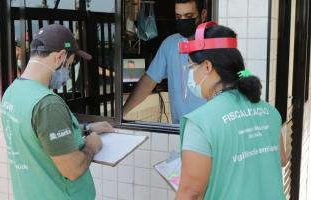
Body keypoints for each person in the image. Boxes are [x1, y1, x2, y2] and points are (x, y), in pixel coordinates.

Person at [1, 24, 114, 200]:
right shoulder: (48, 104)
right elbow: (73, 169)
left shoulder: (12, 92)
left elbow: (38, 135)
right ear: (60, 56)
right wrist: (92, 145)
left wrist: (86, 128)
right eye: (69, 64)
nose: (68, 72)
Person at [176, 22, 287, 200]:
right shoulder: (270, 111)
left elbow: (191, 193)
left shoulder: (201, 122)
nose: (190, 74)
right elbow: (281, 159)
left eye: (191, 67)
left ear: (206, 66)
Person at [123, 0, 208, 124]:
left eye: (188, 16)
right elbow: (148, 81)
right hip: (180, 129)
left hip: (210, 130)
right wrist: (122, 112)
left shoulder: (215, 45)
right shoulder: (170, 44)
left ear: (203, 14)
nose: (183, 20)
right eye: (178, 17)